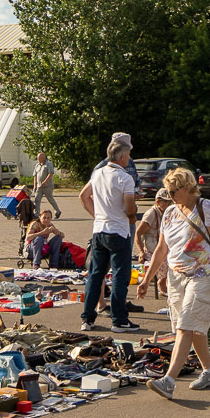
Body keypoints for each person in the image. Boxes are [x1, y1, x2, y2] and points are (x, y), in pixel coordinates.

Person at [139, 168, 210, 398]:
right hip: (177, 277)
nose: (170, 196)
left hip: (203, 275)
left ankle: (168, 380)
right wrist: (147, 278)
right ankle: (209, 371)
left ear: (186, 188)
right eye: (167, 191)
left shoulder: (205, 208)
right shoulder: (169, 213)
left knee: (186, 324)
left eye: (173, 191)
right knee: (190, 327)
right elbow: (161, 249)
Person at [77, 139, 141, 333]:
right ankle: (119, 320)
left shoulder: (98, 173)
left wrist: (97, 215)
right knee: (120, 276)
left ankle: (87, 319)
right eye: (128, 155)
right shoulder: (125, 178)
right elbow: (130, 207)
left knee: (96, 275)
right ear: (122, 157)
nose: (129, 159)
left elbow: (83, 196)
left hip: (99, 230)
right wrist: (131, 217)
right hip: (118, 231)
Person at [31, 152, 59, 221]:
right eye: (37, 157)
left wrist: (44, 182)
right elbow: (35, 176)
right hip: (39, 186)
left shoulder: (48, 164)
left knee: (50, 199)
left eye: (39, 157)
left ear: (43, 157)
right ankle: (36, 214)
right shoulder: (37, 165)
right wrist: (35, 185)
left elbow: (51, 173)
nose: (38, 159)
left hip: (47, 186)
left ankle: (57, 211)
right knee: (37, 199)